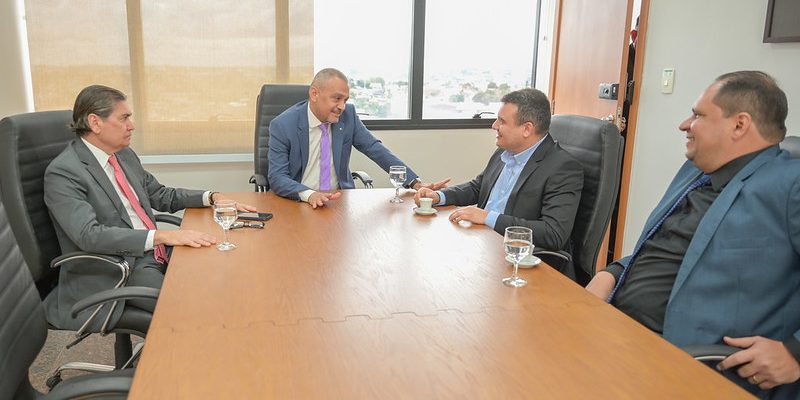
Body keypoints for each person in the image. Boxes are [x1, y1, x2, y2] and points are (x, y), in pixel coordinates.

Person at [585, 71, 800, 398]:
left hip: (687, 365)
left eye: (698, 115)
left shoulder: (789, 183)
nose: (684, 125)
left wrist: (794, 352)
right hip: (615, 329)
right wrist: (613, 272)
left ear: (739, 125)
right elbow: (670, 250)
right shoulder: (695, 171)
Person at [43, 84, 256, 331]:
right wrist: (162, 236)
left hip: (150, 253)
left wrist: (211, 197)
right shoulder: (64, 172)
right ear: (95, 122)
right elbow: (89, 235)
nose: (131, 125)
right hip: (115, 269)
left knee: (221, 272)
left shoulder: (123, 155)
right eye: (124, 118)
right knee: (196, 309)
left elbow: (159, 194)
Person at [414, 88, 584, 278]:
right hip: (483, 248)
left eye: (501, 121)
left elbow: (553, 233)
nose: (494, 125)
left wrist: (487, 217)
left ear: (527, 128)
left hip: (520, 267)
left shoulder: (563, 168)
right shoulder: (505, 152)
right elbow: (478, 187)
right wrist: (438, 196)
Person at [267, 68, 448, 208]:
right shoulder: (283, 125)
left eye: (345, 100)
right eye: (336, 99)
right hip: (298, 202)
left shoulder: (348, 116)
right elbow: (277, 177)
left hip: (339, 202)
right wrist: (309, 194)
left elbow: (375, 149)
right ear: (314, 94)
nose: (342, 106)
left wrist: (415, 183)